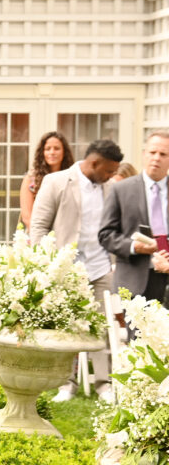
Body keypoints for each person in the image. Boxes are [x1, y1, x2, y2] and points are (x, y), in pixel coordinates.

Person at [31, 139, 123, 402]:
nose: (112, 176)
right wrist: (47, 265)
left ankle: (104, 384)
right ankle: (66, 384)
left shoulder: (110, 187)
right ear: (94, 163)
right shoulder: (57, 182)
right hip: (66, 270)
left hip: (101, 267)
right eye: (108, 170)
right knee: (66, 328)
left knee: (101, 327)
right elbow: (38, 227)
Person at [99, 131, 169, 305]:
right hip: (133, 281)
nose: (156, 158)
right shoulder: (121, 190)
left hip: (166, 278)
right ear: (144, 154)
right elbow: (105, 235)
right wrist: (134, 247)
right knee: (133, 333)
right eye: (152, 152)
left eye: (163, 154)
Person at [19, 132, 74, 232]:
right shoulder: (31, 178)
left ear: (64, 152)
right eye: (48, 149)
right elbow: (27, 216)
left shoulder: (72, 177)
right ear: (42, 152)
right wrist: (44, 238)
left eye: (56, 148)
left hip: (66, 235)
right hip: (38, 236)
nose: (52, 152)